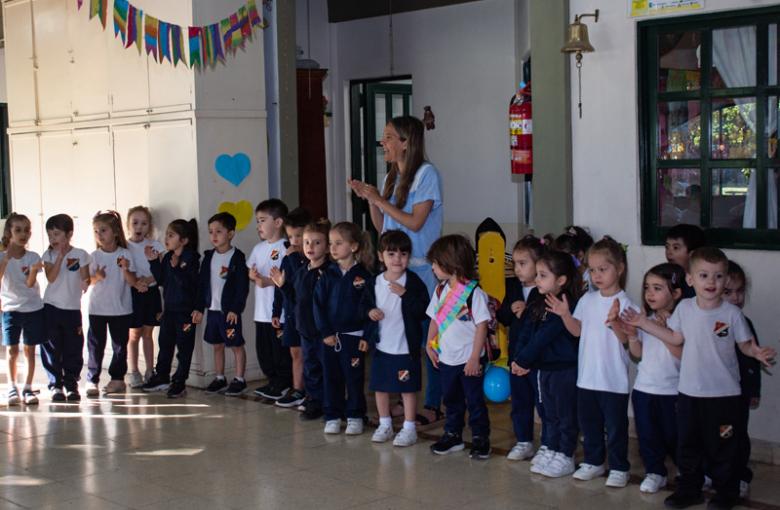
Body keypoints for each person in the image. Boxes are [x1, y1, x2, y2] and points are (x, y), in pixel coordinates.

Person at [622, 247, 775, 509]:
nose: (711, 282)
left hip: (724, 398)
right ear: (691, 279)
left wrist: (757, 352)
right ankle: (689, 490)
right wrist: (643, 323)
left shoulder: (732, 314)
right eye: (704, 275)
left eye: (718, 276)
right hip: (689, 395)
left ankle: (726, 492)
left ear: (725, 280)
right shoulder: (684, 309)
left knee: (723, 446)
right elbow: (675, 338)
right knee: (688, 445)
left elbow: (745, 345)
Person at [350, 115, 444, 424]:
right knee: (400, 338)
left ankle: (433, 403)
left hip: (422, 270)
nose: (383, 142)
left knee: (427, 338)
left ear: (406, 143)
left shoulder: (427, 174)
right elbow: (383, 229)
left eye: (389, 137)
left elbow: (415, 223)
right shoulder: (392, 176)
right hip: (395, 269)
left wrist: (380, 199)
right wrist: (371, 201)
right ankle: (405, 396)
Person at [547, 236, 637, 487]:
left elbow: (626, 341)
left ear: (619, 269)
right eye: (592, 270)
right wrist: (565, 315)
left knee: (616, 427)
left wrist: (615, 322)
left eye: (603, 269)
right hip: (587, 378)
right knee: (589, 424)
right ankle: (594, 461)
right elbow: (577, 331)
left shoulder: (627, 304)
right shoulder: (587, 300)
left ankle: (619, 467)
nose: (596, 275)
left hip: (612, 380)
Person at [511, 250, 582, 477]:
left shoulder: (564, 304)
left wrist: (524, 359)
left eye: (543, 275)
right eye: (537, 275)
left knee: (565, 414)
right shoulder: (538, 299)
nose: (537, 280)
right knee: (548, 413)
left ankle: (566, 454)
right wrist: (518, 358)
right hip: (543, 369)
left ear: (560, 280)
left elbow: (545, 336)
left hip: (563, 369)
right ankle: (551, 447)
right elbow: (527, 330)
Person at [425, 234, 492, 460]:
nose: (433, 267)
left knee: (474, 401)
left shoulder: (474, 294)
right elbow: (435, 319)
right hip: (447, 359)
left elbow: (482, 327)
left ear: (451, 264)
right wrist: (429, 344)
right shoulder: (440, 290)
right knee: (451, 400)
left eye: (436, 263)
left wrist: (474, 358)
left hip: (469, 360)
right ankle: (453, 434)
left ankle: (480, 438)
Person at [362, 230, 429, 447]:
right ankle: (385, 424)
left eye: (403, 254)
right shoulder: (373, 283)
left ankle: (409, 428)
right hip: (382, 348)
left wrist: (405, 295)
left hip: (405, 349)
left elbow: (422, 310)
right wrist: (370, 312)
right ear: (381, 256)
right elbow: (363, 305)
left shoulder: (414, 282)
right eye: (391, 254)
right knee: (380, 387)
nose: (397, 259)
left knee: (408, 389)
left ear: (409, 256)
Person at [623, 263, 686, 494]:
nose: (650, 293)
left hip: (672, 391)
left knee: (675, 435)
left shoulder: (681, 320)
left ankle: (687, 470)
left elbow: (681, 354)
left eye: (657, 288)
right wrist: (633, 335)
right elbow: (637, 354)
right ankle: (655, 472)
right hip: (644, 389)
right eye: (647, 287)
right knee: (648, 435)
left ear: (676, 293)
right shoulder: (645, 318)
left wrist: (656, 329)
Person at [314, 222, 374, 435]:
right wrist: (326, 332)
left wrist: (367, 335)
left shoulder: (364, 276)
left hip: (353, 338)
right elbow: (318, 306)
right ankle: (332, 415)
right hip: (330, 338)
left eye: (338, 243)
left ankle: (355, 415)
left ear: (354, 246)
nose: (333, 247)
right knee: (331, 377)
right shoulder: (327, 275)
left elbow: (371, 308)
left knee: (354, 378)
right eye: (331, 243)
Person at [273, 219, 332, 420]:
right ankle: (314, 401)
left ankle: (330, 403)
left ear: (327, 247)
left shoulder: (329, 273)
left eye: (317, 242)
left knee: (327, 369)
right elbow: (296, 299)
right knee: (310, 368)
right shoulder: (302, 272)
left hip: (323, 332)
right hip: (305, 331)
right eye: (307, 242)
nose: (310, 246)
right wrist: (283, 285)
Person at [496, 235, 547, 463]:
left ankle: (548, 443)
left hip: (537, 360)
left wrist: (527, 311)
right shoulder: (513, 286)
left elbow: (543, 325)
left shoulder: (544, 291)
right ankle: (523, 441)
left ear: (538, 264)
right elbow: (502, 316)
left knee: (543, 404)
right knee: (520, 402)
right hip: (516, 356)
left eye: (523, 263)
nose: (517, 269)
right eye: (515, 263)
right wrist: (510, 309)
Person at [142, 219, 200, 398]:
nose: (166, 239)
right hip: (169, 311)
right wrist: (153, 262)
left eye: (171, 235)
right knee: (165, 344)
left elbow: (191, 285)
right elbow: (161, 280)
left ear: (184, 240)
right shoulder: (167, 257)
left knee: (184, 348)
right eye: (167, 234)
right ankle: (162, 376)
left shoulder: (191, 258)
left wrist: (177, 268)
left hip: (185, 313)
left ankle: (179, 382)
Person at [194, 212, 250, 397]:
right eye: (211, 232)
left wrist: (235, 308)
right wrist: (199, 308)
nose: (214, 236)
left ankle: (239, 379)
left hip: (229, 313)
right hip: (213, 311)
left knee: (235, 345)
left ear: (231, 233)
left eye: (219, 231)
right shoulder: (208, 257)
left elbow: (242, 287)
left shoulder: (237, 257)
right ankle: (220, 378)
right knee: (217, 345)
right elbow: (202, 284)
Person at [86, 210, 137, 396]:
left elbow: (132, 281)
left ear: (115, 232)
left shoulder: (125, 254)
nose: (99, 235)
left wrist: (125, 269)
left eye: (103, 230)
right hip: (97, 309)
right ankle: (92, 379)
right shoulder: (94, 256)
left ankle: (117, 379)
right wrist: (97, 277)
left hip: (121, 309)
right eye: (96, 231)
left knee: (120, 346)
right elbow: (87, 281)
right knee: (95, 346)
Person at [40, 214, 90, 402]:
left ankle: (71, 384)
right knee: (52, 348)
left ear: (69, 234)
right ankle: (56, 385)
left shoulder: (81, 254)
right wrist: (60, 257)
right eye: (49, 235)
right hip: (51, 307)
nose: (52, 239)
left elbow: (86, 277)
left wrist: (86, 282)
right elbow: (51, 278)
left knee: (73, 347)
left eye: (56, 234)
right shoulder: (49, 255)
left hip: (72, 309)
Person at [722, 260, 762, 499]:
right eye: (728, 292)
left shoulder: (744, 323)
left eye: (739, 291)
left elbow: (752, 361)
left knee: (734, 436)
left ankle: (739, 476)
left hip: (737, 395)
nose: (736, 298)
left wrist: (754, 391)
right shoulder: (704, 319)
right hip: (712, 393)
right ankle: (714, 473)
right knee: (712, 435)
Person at [247, 198, 291, 401]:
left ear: (278, 222)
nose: (259, 225)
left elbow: (287, 278)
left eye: (262, 220)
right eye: (257, 221)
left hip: (279, 313)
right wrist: (254, 276)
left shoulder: (286, 247)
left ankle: (283, 383)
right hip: (261, 312)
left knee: (280, 351)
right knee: (264, 351)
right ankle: (272, 381)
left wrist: (268, 281)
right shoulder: (258, 248)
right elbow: (251, 271)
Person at [0, 213, 45, 405]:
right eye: (18, 230)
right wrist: (6, 259)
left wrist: (33, 270)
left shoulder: (33, 257)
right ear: (9, 233)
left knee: (29, 350)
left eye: (26, 230)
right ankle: (12, 387)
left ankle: (27, 387)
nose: (23, 234)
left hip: (33, 308)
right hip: (11, 309)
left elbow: (30, 283)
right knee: (12, 350)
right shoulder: (2, 256)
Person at [270, 207, 311, 409]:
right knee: (295, 352)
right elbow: (280, 285)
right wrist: (276, 311)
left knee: (308, 354)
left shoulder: (308, 260)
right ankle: (297, 390)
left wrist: (294, 257)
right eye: (291, 236)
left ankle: (310, 391)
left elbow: (300, 285)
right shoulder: (287, 258)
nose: (294, 241)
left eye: (299, 236)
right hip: (290, 315)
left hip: (306, 316)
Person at [125, 206, 164, 388]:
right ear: (128, 225)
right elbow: (125, 271)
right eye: (135, 223)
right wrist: (136, 283)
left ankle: (150, 370)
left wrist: (147, 281)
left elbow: (160, 270)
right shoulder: (124, 247)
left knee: (148, 333)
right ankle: (133, 371)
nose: (139, 227)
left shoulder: (154, 245)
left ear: (149, 226)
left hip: (151, 292)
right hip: (133, 293)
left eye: (144, 223)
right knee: (134, 334)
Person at [664, 224, 705, 299]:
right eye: (667, 247)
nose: (669, 252)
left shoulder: (702, 281)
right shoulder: (670, 275)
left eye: (675, 248)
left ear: (692, 254)